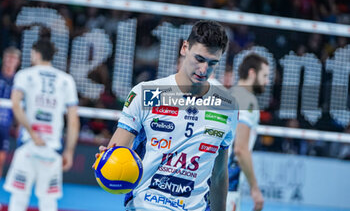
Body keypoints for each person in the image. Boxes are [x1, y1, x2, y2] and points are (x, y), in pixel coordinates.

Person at [96, 20, 239, 211]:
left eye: (213, 63)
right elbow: (118, 150)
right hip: (144, 206)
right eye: (199, 59)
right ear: (184, 48)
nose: (204, 70)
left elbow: (220, 173)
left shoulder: (227, 105)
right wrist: (107, 162)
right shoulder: (146, 93)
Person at [3, 39, 80, 211]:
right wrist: (69, 151)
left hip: (28, 145)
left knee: (18, 200)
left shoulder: (24, 75)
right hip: (52, 149)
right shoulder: (66, 80)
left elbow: (16, 105)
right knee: (48, 202)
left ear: (36, 53)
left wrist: (32, 133)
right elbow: (74, 120)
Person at [227, 53, 269, 211]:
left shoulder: (230, 94)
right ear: (252, 73)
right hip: (229, 183)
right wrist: (255, 189)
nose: (267, 81)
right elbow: (240, 148)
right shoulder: (248, 100)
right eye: (264, 75)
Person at [0, 47, 21, 180]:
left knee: (1, 159)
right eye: (8, 57)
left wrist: (19, 125)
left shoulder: (19, 82)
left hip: (5, 126)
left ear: (18, 62)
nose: (10, 61)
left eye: (13, 58)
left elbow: (21, 106)